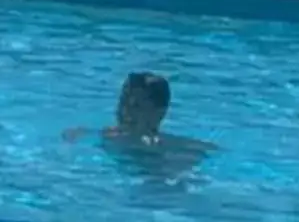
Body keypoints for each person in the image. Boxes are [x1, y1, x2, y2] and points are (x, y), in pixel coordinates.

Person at [65, 71, 211, 170]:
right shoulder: (89, 136)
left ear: (159, 112)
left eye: (136, 106)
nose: (125, 111)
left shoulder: (179, 148)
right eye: (123, 102)